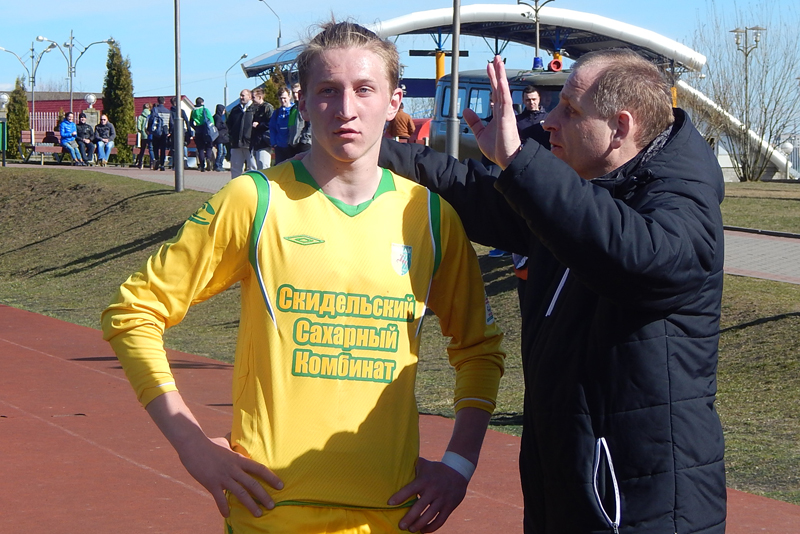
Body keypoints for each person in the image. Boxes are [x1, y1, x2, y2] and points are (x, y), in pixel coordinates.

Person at [102, 21, 506, 534]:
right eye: (328, 91)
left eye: (364, 89)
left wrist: (459, 466)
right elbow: (132, 312)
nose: (345, 109)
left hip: (391, 515)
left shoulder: (430, 218)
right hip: (271, 514)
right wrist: (191, 445)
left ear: (394, 101)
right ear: (303, 103)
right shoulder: (254, 201)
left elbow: (478, 350)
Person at [379, 49, 726, 534]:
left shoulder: (681, 200)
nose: (548, 121)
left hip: (637, 506)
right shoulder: (585, 187)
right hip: (568, 484)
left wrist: (521, 162)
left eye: (570, 110)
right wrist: (371, 151)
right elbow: (470, 189)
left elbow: (642, 258)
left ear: (621, 127)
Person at [227, 88, 256, 178]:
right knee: (235, 168)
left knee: (252, 168)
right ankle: (235, 185)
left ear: (249, 96)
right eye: (240, 95)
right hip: (236, 144)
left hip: (250, 144)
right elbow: (228, 125)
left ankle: (252, 185)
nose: (241, 97)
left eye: (243, 95)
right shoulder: (235, 110)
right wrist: (231, 137)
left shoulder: (255, 109)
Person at [268, 87, 293, 164]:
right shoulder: (277, 112)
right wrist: (274, 143)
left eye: (284, 98)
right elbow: (272, 128)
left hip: (292, 146)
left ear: (289, 97)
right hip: (280, 147)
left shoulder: (294, 110)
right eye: (281, 98)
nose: (283, 100)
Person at [190, 97, 215, 172]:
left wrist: (195, 128)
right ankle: (208, 158)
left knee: (200, 148)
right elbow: (211, 120)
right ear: (202, 103)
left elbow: (191, 122)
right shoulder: (205, 110)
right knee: (209, 146)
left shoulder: (193, 111)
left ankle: (202, 166)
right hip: (206, 130)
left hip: (198, 130)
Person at [250, 88, 273, 169]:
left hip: (264, 142)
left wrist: (259, 125)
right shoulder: (253, 108)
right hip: (255, 142)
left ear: (260, 97)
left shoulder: (267, 107)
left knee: (263, 166)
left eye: (253, 97)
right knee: (255, 167)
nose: (252, 99)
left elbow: (271, 123)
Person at [288, 82, 312, 157]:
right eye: (293, 93)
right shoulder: (293, 108)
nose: (295, 95)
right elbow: (291, 125)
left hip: (304, 143)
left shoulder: (307, 107)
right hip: (293, 143)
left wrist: (305, 139)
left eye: (297, 92)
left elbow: (310, 124)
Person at [169, 96, 192, 170]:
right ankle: (184, 162)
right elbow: (187, 121)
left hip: (173, 132)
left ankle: (174, 164)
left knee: (174, 148)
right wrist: (189, 131)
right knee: (183, 145)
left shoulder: (170, 112)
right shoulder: (181, 111)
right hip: (182, 131)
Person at [150, 96, 172, 171]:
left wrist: (150, 129)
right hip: (165, 131)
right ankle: (162, 164)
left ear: (158, 101)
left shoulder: (155, 109)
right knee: (163, 148)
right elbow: (171, 122)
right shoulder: (168, 111)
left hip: (156, 131)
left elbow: (151, 119)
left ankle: (157, 160)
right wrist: (170, 131)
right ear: (164, 102)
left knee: (155, 147)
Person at [134, 103, 154, 169]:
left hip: (143, 135)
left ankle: (140, 163)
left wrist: (141, 131)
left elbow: (138, 127)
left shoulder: (141, 116)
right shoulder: (151, 115)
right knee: (151, 149)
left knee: (142, 150)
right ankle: (152, 163)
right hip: (150, 135)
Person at [213, 104, 229, 172]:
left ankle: (220, 165)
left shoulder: (218, 117)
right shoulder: (217, 118)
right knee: (220, 152)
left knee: (224, 152)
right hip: (219, 137)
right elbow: (217, 126)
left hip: (222, 137)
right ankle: (217, 165)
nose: (224, 112)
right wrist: (224, 126)